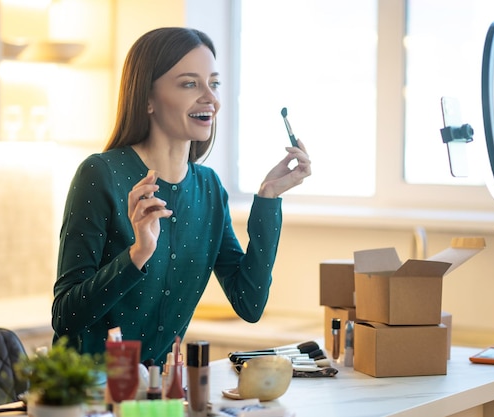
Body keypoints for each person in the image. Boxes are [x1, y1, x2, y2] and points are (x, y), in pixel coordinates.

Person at [51, 27, 311, 364]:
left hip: (159, 398)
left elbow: (250, 303)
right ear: (147, 98)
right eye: (190, 83)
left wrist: (269, 198)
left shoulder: (209, 188)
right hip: (86, 395)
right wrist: (137, 254)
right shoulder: (101, 174)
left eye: (213, 84)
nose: (211, 99)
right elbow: (65, 316)